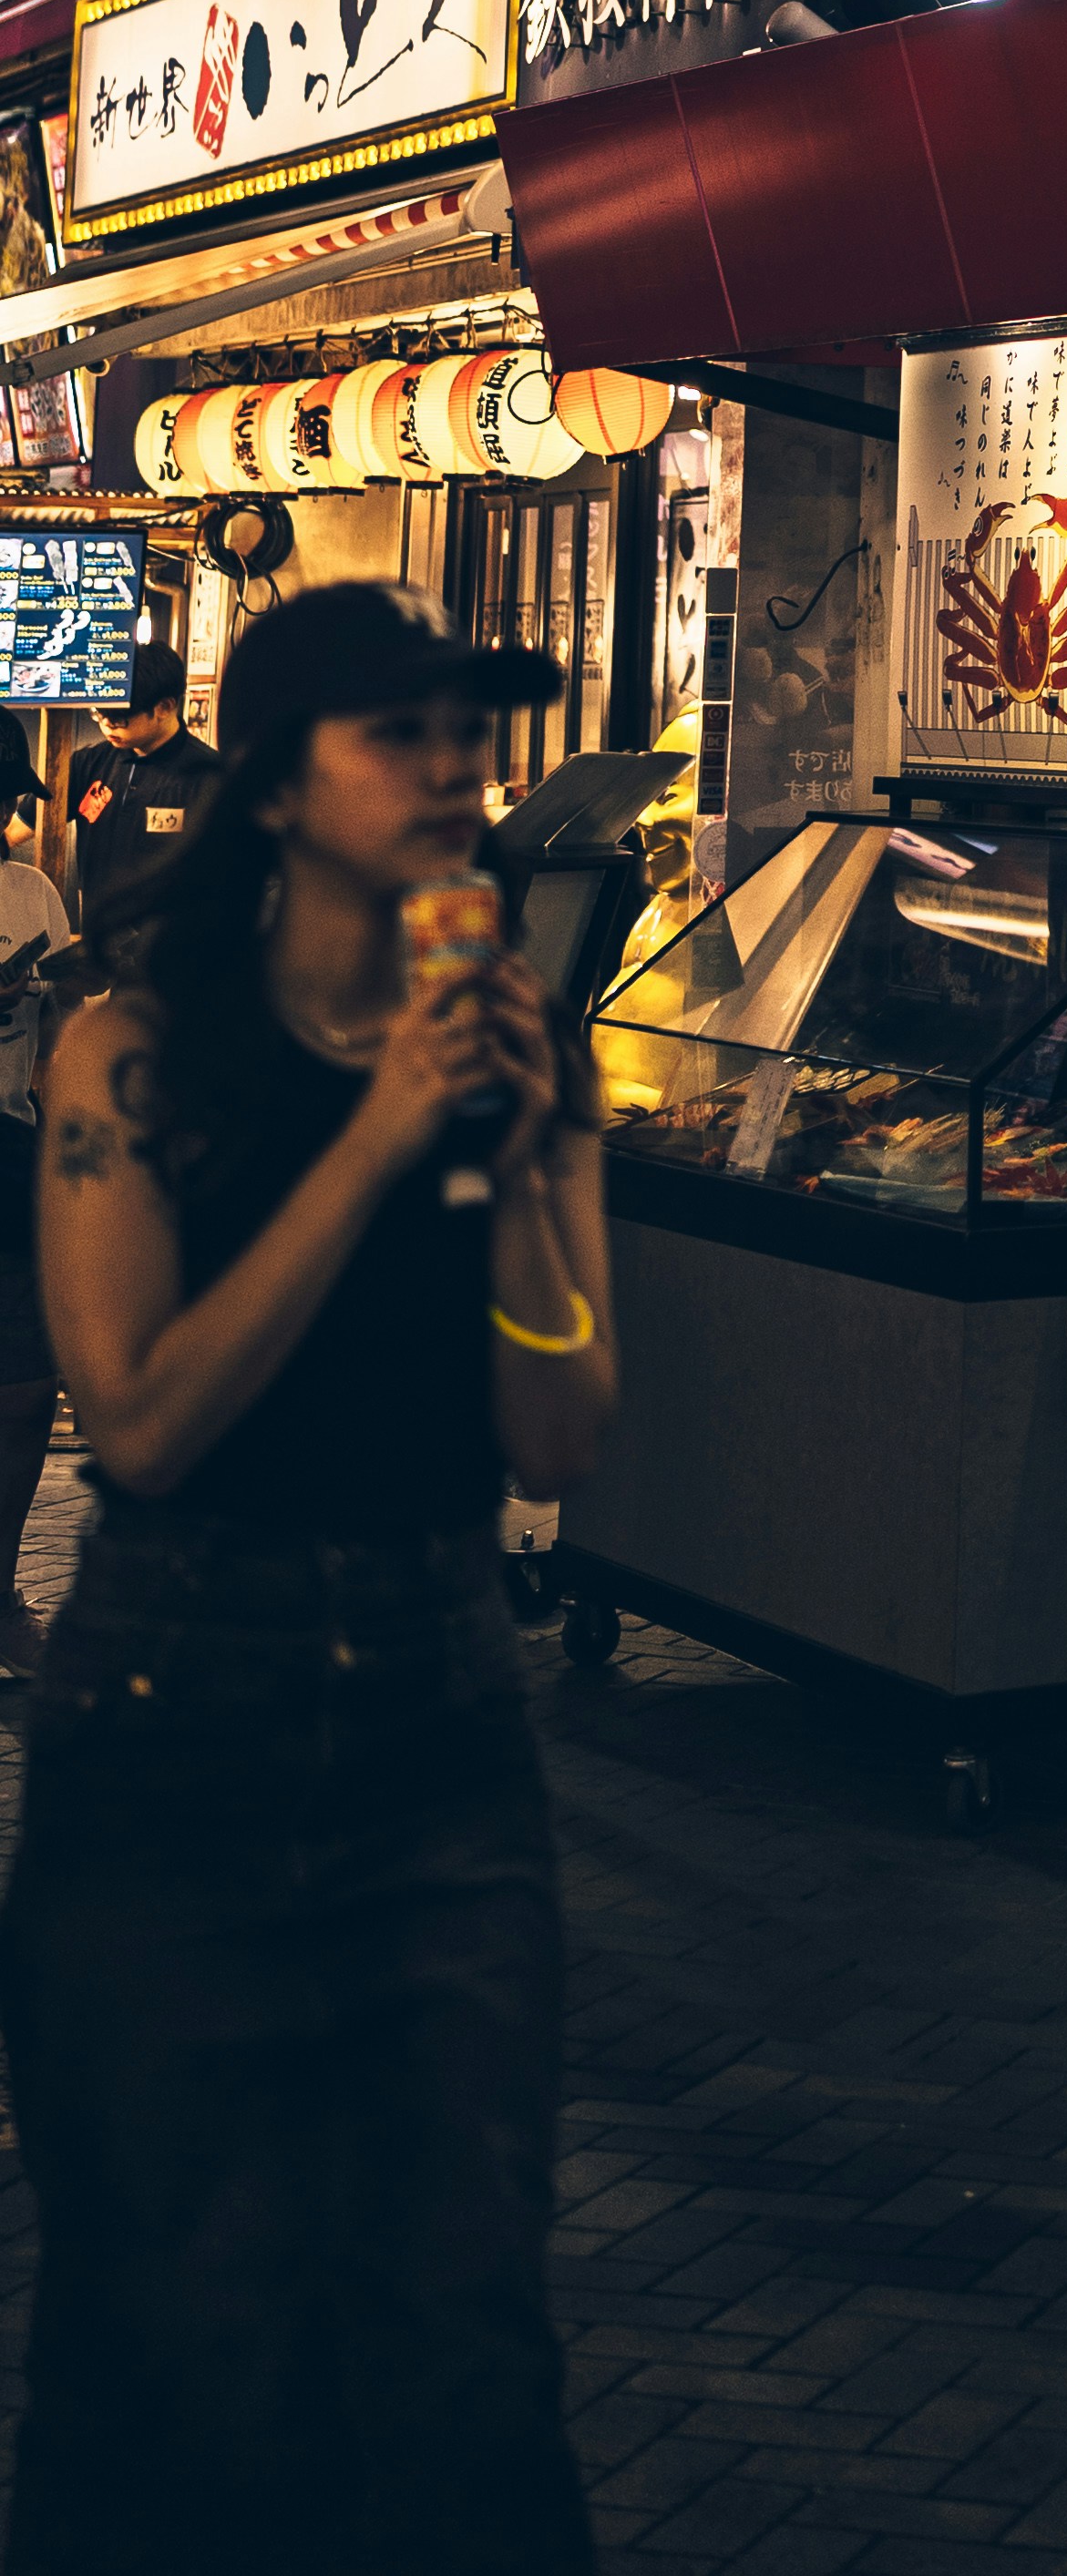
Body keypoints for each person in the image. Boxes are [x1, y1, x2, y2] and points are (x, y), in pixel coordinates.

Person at [4, 580, 615, 2576]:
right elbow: (147, 1424)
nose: (457, 779)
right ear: (275, 787)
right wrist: (377, 1141)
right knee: (168, 2331)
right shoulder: (130, 1053)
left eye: (470, 739)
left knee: (463, 2344)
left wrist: (522, 1167)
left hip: (443, 1726)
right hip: (177, 1717)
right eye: (400, 739)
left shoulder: (528, 1052)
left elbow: (559, 1439)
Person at [0, 782, 74, 1676]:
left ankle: (2, 1592)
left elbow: (59, 1034)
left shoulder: (33, 895)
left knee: (22, 1393)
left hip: (12, 1151)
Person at [61, 639, 197, 952]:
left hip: (169, 954)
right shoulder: (88, 763)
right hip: (95, 945)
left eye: (120, 718)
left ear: (164, 707)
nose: (107, 726)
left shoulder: (204, 777)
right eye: (100, 714)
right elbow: (20, 828)